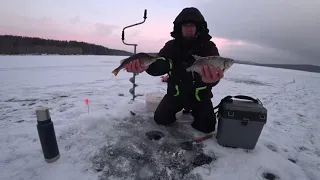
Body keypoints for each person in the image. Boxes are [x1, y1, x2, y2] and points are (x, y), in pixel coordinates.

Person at [124, 7, 224, 134]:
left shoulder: (209, 47)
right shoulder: (171, 46)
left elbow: (215, 71)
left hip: (200, 96)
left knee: (207, 127)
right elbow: (162, 63)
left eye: (192, 25)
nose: (189, 28)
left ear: (198, 27)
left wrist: (212, 80)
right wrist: (148, 66)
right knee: (161, 119)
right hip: (176, 94)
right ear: (179, 27)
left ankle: (196, 111)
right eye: (185, 25)